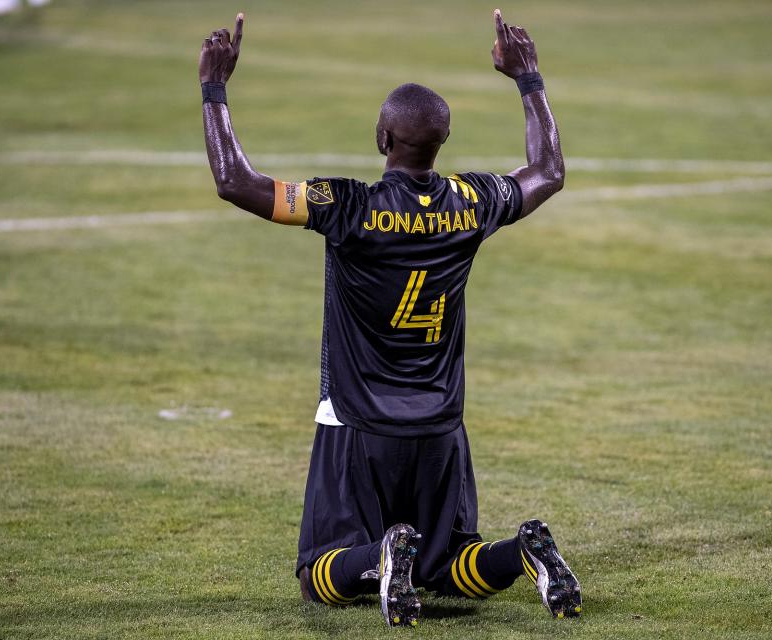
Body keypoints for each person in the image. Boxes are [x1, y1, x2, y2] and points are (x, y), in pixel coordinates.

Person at [199, 8, 579, 627]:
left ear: (382, 139)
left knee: (318, 572)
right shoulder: (472, 202)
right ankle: (523, 551)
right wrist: (528, 78)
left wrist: (214, 88)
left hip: (358, 423)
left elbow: (233, 180)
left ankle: (378, 557)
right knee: (446, 561)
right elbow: (548, 172)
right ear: (440, 143)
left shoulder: (348, 206)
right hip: (441, 426)